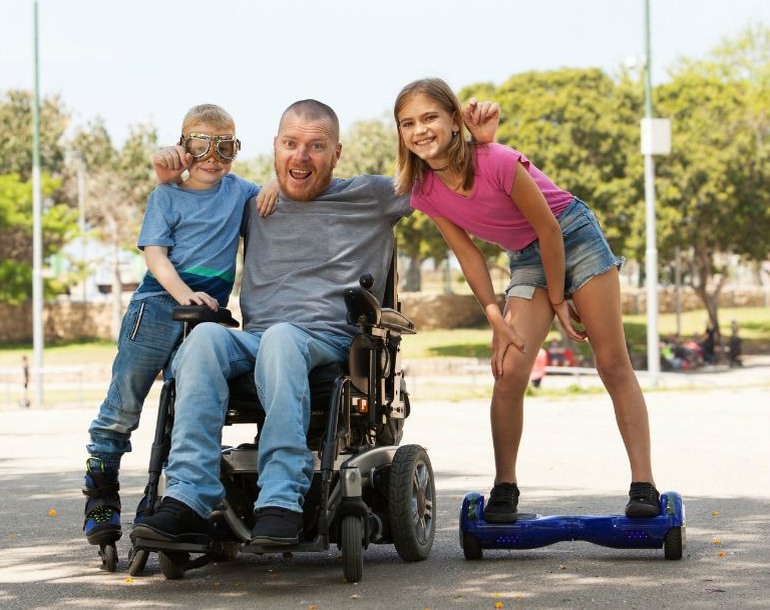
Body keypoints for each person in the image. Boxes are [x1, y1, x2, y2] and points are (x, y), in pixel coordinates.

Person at [132, 98, 500, 546]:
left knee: (283, 338)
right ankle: (189, 496)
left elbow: (454, 182)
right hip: (258, 341)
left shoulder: (373, 196)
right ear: (274, 147)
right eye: (290, 144)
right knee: (206, 338)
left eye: (316, 146)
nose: (300, 157)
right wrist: (169, 172)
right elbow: (195, 200)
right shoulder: (252, 201)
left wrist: (479, 145)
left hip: (327, 342)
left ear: (337, 153)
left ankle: (282, 498)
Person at [392, 77, 659, 520]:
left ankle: (644, 483)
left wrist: (558, 299)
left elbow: (550, 230)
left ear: (455, 121)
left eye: (429, 117)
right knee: (510, 370)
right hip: (527, 255)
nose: (420, 130)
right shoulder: (423, 190)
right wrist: (495, 315)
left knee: (612, 363)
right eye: (407, 123)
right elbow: (469, 255)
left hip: (572, 234)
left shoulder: (495, 159)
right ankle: (505, 487)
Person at [82, 104, 276, 551]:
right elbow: (155, 255)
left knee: (181, 407)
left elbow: (276, 195)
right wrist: (182, 292)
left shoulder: (240, 191)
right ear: (184, 146)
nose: (214, 156)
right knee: (123, 405)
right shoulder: (166, 195)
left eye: (225, 146)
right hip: (156, 309)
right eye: (202, 145)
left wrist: (278, 188)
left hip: (203, 321)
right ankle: (101, 492)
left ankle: (164, 500)